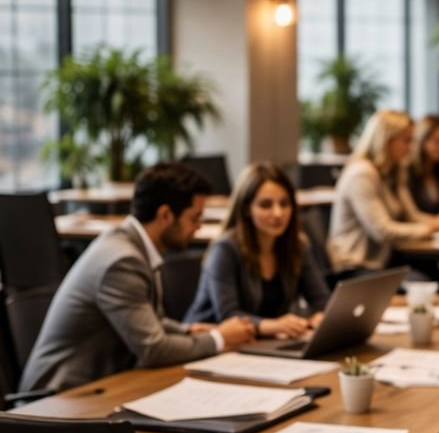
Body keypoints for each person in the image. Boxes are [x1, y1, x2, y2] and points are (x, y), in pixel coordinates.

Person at [20, 163, 256, 392]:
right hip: (58, 397)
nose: (198, 227)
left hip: (99, 387)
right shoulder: (121, 261)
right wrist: (218, 338)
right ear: (165, 214)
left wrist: (188, 330)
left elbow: (148, 321)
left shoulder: (131, 245)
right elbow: (153, 349)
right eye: (194, 218)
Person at [185, 162, 330, 337]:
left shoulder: (297, 245)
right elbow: (228, 315)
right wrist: (274, 325)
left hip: (264, 343)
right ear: (247, 208)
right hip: (211, 343)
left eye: (284, 203)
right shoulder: (225, 249)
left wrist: (320, 317)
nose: (278, 213)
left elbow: (322, 301)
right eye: (266, 205)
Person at [328, 110, 439, 274]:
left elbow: (411, 216)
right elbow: (382, 231)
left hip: (385, 261)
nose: (411, 148)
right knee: (428, 279)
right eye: (406, 141)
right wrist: (433, 227)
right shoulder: (362, 174)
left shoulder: (393, 171)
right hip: (356, 265)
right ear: (386, 140)